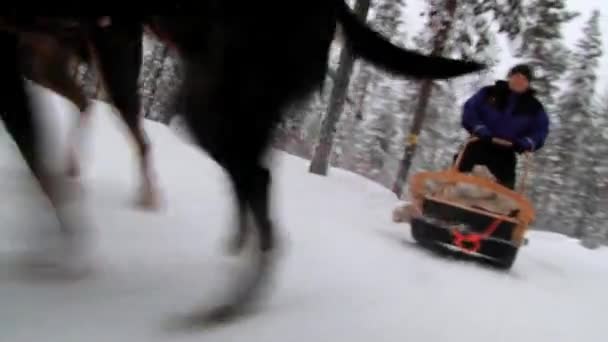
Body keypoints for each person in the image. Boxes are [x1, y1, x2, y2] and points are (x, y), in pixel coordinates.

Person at [458, 64, 550, 189]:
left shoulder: (534, 108)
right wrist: (479, 129)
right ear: (509, 77)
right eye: (516, 77)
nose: (519, 81)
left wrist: (525, 143)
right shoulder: (489, 92)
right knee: (458, 176)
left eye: (524, 79)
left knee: (505, 191)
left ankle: (496, 207)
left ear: (528, 83)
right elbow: (470, 110)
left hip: (506, 153)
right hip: (479, 143)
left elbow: (540, 131)